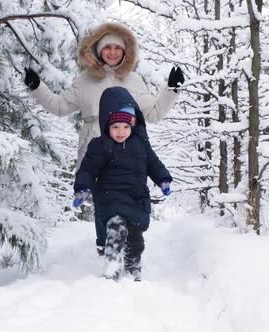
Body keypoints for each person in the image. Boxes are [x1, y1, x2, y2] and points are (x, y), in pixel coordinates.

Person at [23, 22, 183, 255]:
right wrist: (37, 87)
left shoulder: (134, 80)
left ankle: (129, 246)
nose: (112, 52)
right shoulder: (84, 81)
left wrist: (172, 89)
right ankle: (105, 248)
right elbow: (59, 106)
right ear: (97, 50)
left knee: (127, 196)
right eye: (107, 47)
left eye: (118, 48)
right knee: (101, 199)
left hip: (127, 150)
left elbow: (154, 113)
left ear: (125, 52)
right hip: (94, 148)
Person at [72, 86, 172, 281]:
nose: (121, 131)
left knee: (136, 239)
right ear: (106, 125)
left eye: (126, 127)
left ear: (133, 125)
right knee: (116, 228)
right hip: (111, 197)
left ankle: (133, 263)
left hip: (137, 199)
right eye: (115, 126)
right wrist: (83, 188)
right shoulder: (100, 146)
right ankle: (112, 265)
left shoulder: (141, 144)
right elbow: (88, 170)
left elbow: (153, 163)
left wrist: (163, 179)